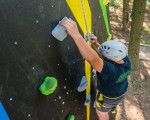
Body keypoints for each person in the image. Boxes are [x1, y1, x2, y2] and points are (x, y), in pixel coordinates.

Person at [59, 18, 132, 120]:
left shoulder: (111, 71)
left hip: (108, 98)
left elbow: (94, 60)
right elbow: (107, 58)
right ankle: (111, 107)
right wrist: (96, 44)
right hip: (120, 92)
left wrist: (76, 35)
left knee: (101, 112)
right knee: (110, 105)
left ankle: (106, 111)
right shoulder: (125, 59)